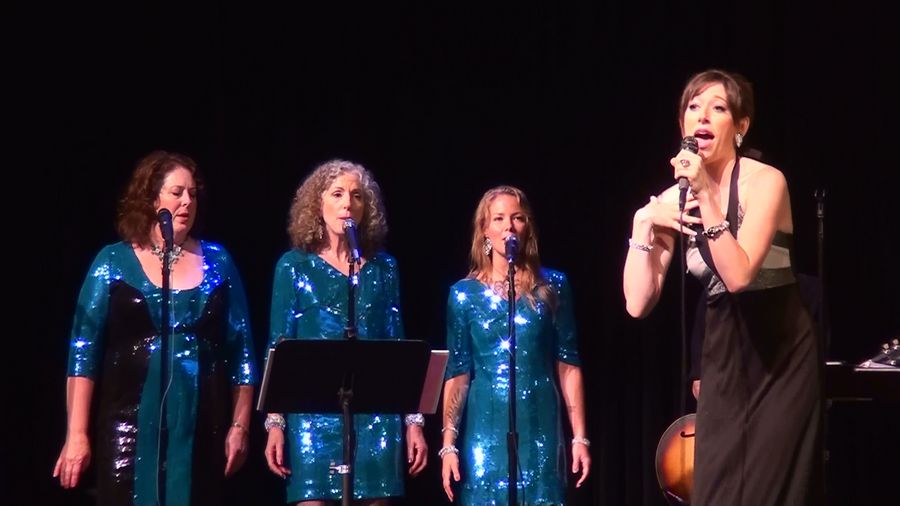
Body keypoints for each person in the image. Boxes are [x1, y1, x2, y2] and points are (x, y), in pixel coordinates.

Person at [623, 69, 824, 505]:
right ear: (682, 125)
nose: (703, 116)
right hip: (723, 361)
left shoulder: (765, 181)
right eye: (693, 107)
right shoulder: (675, 199)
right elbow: (638, 302)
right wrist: (642, 224)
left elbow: (739, 275)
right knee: (712, 491)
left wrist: (707, 198)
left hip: (781, 358)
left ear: (740, 126)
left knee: (765, 493)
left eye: (718, 108)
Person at [53, 150, 258, 505]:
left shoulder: (218, 262)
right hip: (127, 429)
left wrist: (240, 426)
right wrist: (76, 434)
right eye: (177, 192)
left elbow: (241, 351)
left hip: (200, 428)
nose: (187, 201)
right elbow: (83, 352)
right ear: (151, 199)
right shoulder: (113, 261)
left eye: (193, 194)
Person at [263, 159, 427, 506]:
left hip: (376, 418)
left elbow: (398, 343)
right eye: (337, 194)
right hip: (311, 417)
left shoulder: (384, 268)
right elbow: (278, 345)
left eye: (356, 196)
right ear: (317, 203)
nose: (347, 204)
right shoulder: (293, 266)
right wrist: (275, 424)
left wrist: (413, 422)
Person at [440, 185, 591, 504]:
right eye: (499, 218)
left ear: (527, 228)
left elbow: (568, 363)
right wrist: (449, 444)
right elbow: (458, 373)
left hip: (540, 421)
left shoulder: (553, 286)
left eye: (517, 218)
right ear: (485, 229)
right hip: (485, 424)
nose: (509, 226)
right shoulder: (463, 295)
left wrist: (579, 437)